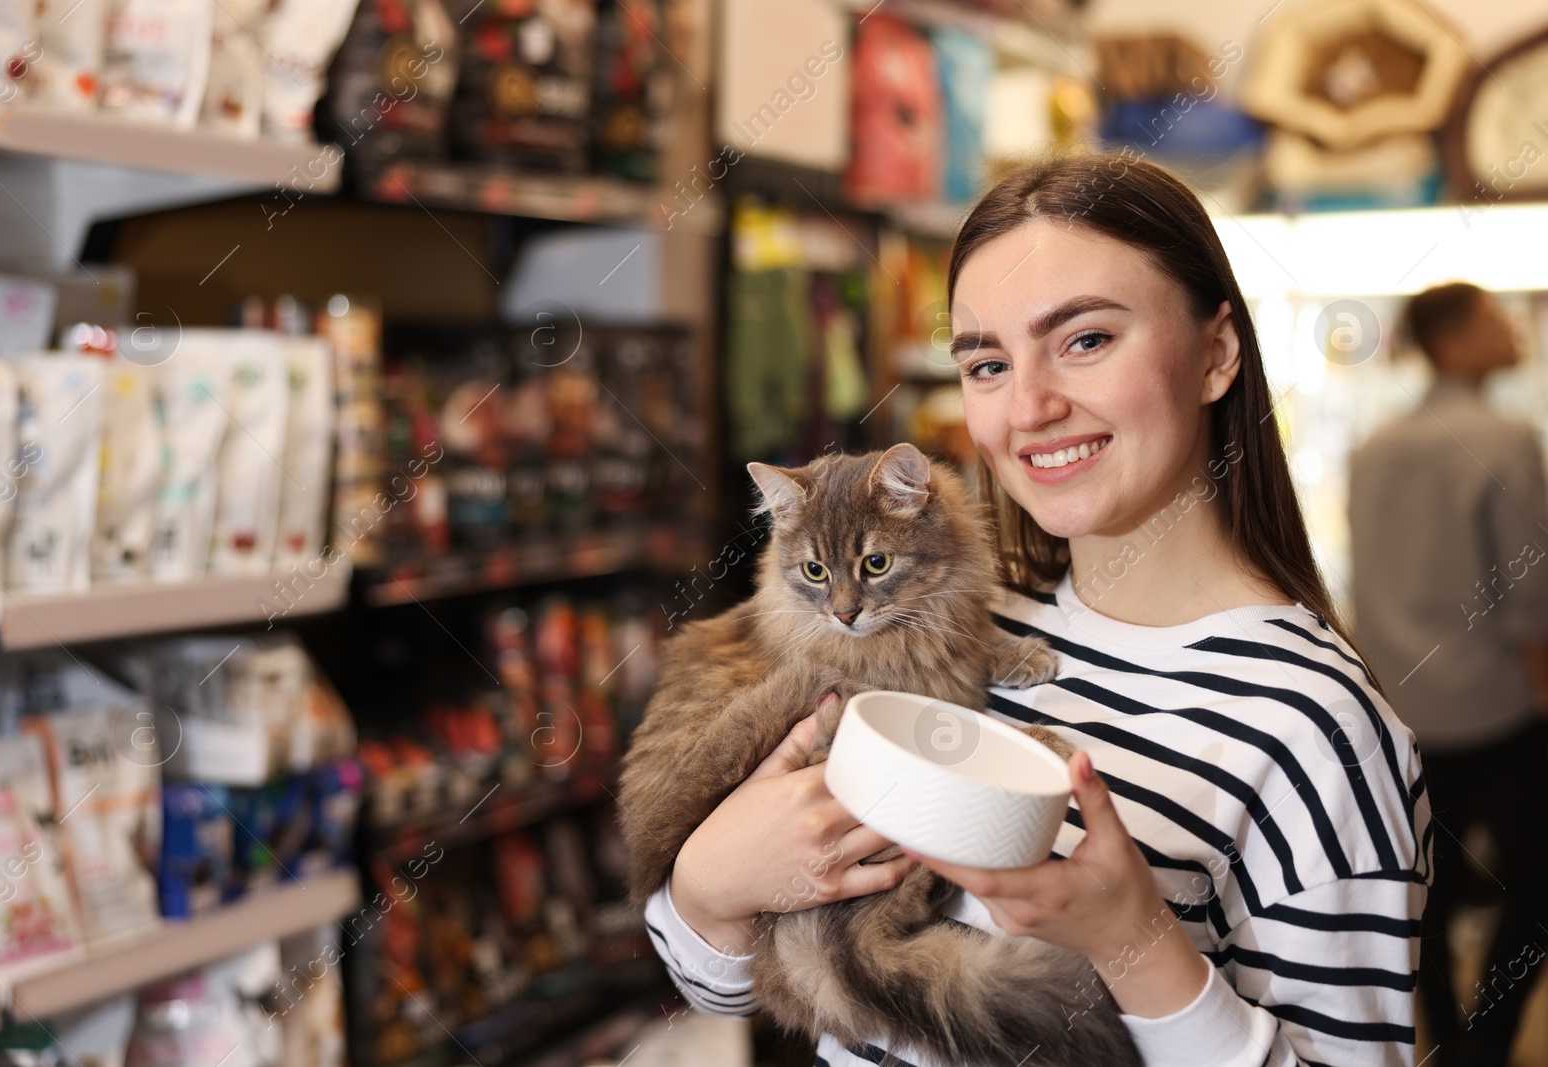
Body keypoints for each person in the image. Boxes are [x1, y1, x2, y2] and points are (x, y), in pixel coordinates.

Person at [640, 154, 1430, 1067]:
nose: (1030, 407)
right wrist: (708, 885)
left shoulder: (1317, 727)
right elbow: (736, 987)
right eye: (986, 361)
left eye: (1085, 339)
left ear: (1216, 353)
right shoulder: (945, 623)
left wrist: (1135, 938)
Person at [1348, 282, 1548, 1067]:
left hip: (1402, 710)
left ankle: (1442, 1033)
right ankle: (1488, 1041)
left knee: (1417, 889)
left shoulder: (1374, 446)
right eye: (1493, 318)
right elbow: (1532, 596)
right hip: (1496, 706)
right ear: (1453, 342)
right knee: (1536, 886)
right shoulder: (1505, 439)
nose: (1511, 328)